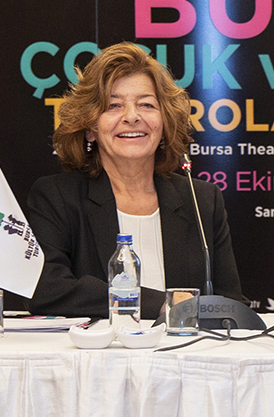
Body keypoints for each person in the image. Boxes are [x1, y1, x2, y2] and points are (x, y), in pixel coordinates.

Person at [24, 42, 244, 318]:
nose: (131, 117)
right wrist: (161, 303)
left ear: (164, 123)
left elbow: (230, 304)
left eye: (146, 105)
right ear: (90, 128)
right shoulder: (56, 196)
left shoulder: (201, 201)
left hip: (185, 347)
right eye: (113, 106)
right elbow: (45, 289)